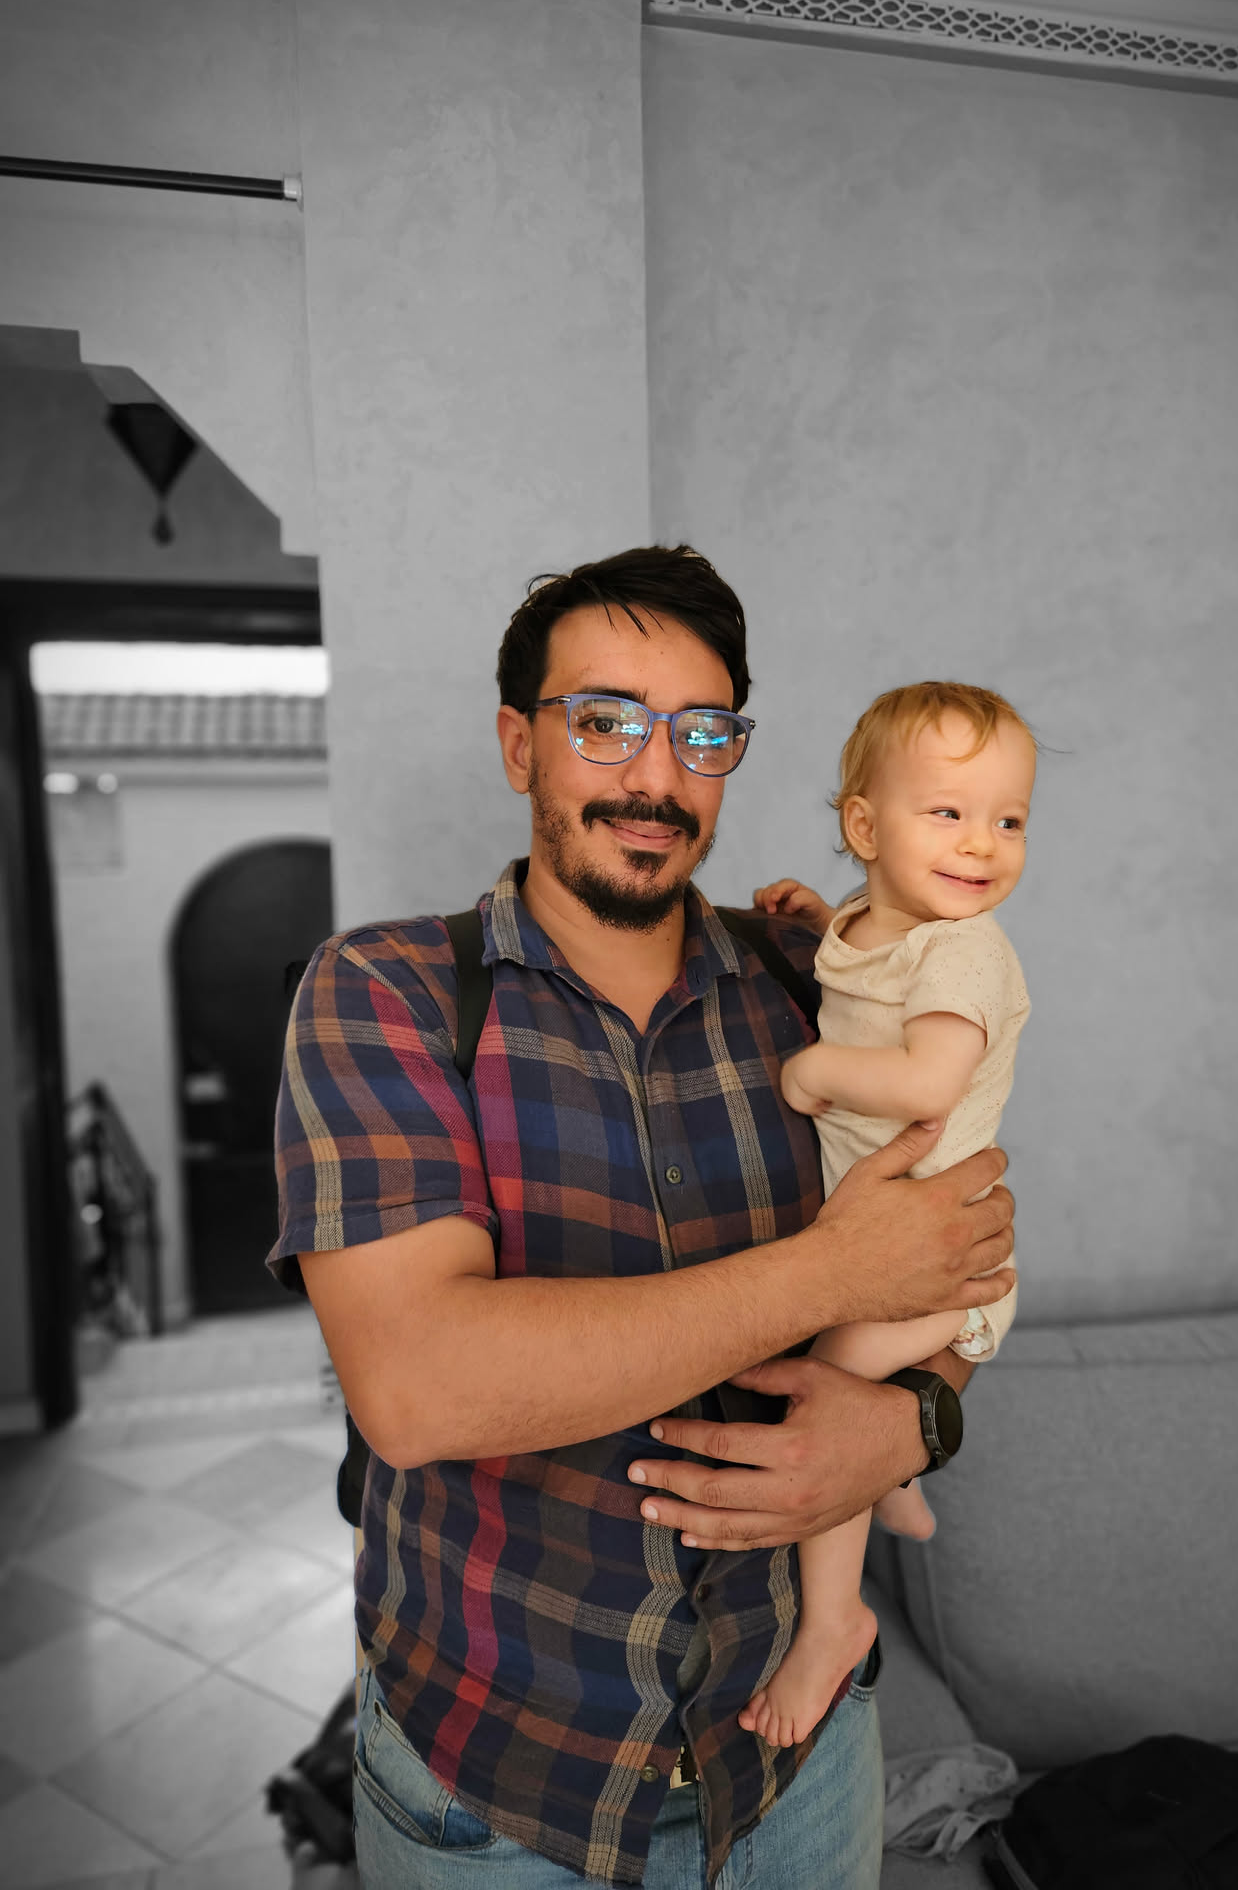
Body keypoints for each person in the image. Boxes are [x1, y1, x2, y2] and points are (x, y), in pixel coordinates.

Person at [270, 546, 1016, 1889]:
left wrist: (912, 1423)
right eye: (605, 721)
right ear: (521, 744)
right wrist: (828, 1274)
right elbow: (419, 1389)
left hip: (797, 1769)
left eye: (702, 732)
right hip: (501, 1792)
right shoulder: (385, 992)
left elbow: (957, 1244)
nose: (656, 776)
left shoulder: (819, 980)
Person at [739, 682, 1034, 1750]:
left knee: (827, 1399)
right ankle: (897, 1481)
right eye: (948, 812)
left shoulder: (967, 949)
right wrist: (827, 925)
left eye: (1009, 819)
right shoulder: (887, 932)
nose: (983, 843)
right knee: (843, 1374)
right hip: (904, 1253)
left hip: (940, 1266)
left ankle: (834, 1621)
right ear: (866, 830)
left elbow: (927, 1080)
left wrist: (814, 1070)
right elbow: (879, 978)